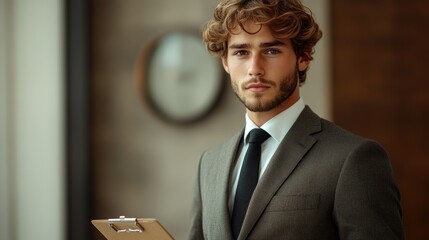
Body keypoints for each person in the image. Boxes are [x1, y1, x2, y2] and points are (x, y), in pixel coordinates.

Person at [188, 0, 405, 239]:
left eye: (271, 51)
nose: (254, 68)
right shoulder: (209, 164)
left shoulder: (353, 159)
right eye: (241, 52)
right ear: (225, 62)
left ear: (303, 57)